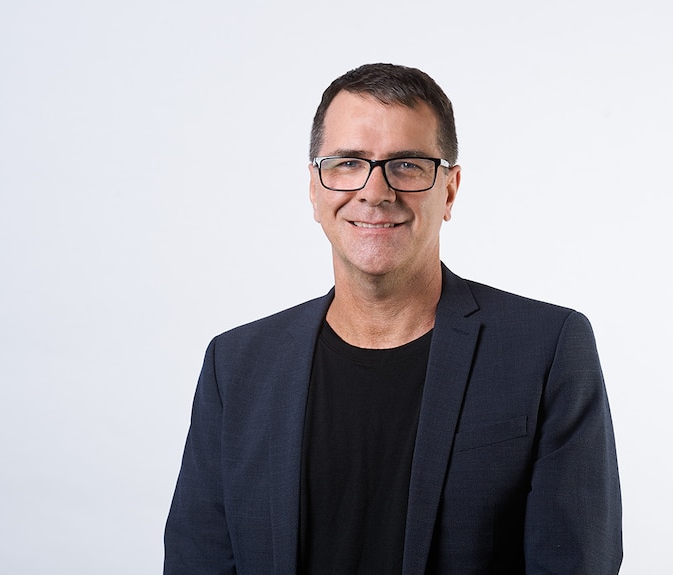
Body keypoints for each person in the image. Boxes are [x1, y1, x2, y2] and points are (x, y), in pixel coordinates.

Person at [163, 63, 622, 574]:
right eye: (347, 163)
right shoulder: (237, 366)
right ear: (315, 190)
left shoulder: (548, 349)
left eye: (406, 165)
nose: (375, 191)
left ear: (449, 190)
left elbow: (575, 564)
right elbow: (196, 561)